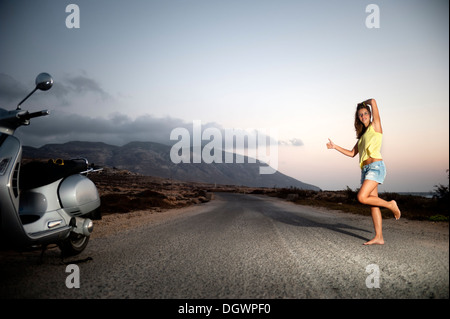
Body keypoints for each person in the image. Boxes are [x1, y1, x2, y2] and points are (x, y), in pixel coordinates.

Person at [326, 98, 401, 245]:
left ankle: (391, 205)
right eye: (361, 115)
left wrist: (363, 103)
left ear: (370, 114)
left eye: (366, 113)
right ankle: (379, 237)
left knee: (361, 197)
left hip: (376, 167)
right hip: (366, 170)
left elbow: (373, 101)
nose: (364, 116)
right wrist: (335, 147)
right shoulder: (362, 136)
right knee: (373, 204)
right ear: (358, 118)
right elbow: (352, 153)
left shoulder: (376, 125)